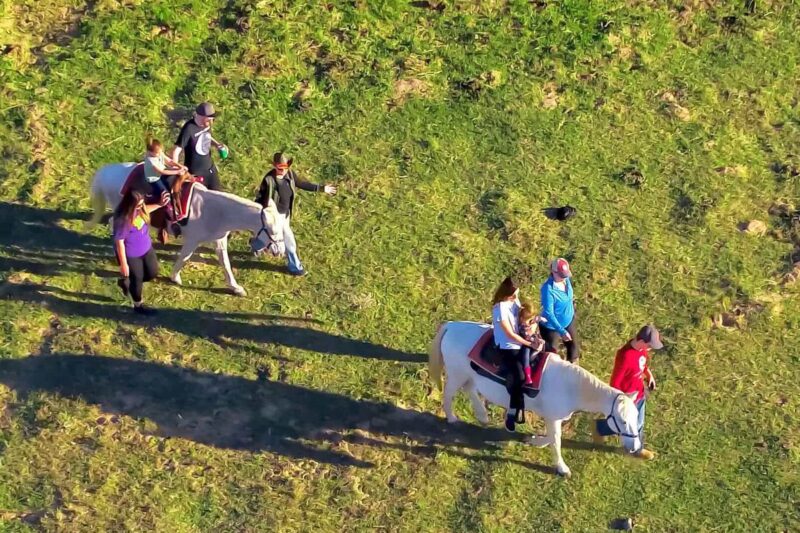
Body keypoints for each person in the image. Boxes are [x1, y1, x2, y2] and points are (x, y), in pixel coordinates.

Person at [255, 152, 337, 276]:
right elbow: (260, 197)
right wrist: (259, 212)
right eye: (279, 168)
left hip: (286, 214)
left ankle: (256, 245)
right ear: (274, 166)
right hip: (276, 216)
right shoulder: (269, 180)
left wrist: (321, 188)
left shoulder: (290, 175)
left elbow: (301, 184)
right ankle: (295, 267)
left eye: (285, 168)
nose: (282, 171)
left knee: (271, 234)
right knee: (289, 239)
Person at [592, 324, 664, 460]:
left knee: (639, 423)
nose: (650, 349)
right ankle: (599, 428)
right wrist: (621, 400)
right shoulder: (625, 356)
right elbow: (615, 382)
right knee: (622, 425)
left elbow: (642, 364)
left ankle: (637, 449)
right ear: (642, 341)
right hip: (627, 398)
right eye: (649, 345)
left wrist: (649, 375)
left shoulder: (642, 350)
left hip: (639, 393)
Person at [491, 277, 537, 432]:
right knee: (520, 376)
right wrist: (528, 344)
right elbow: (509, 334)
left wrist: (533, 327)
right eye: (514, 295)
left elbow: (526, 318)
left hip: (522, 340)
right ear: (507, 294)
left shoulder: (515, 303)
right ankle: (512, 412)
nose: (517, 298)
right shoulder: (499, 308)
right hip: (508, 346)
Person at [113, 190, 163, 315]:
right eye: (139, 205)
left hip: (147, 248)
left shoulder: (140, 209)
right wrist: (123, 264)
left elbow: (146, 210)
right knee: (137, 280)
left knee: (152, 272)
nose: (142, 207)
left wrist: (160, 204)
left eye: (142, 204)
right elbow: (119, 242)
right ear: (130, 205)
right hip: (132, 255)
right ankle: (138, 305)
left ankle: (128, 282)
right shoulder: (123, 220)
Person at [171, 102, 227, 191]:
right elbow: (176, 150)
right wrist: (176, 169)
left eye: (213, 119)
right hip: (196, 174)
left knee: (219, 196)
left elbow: (206, 136)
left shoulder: (207, 124)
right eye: (209, 119)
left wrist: (217, 144)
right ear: (201, 116)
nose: (211, 122)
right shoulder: (189, 128)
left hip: (210, 170)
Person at [539, 258, 580, 363]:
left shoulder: (566, 280)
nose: (564, 278)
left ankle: (573, 372)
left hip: (568, 320)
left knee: (574, 349)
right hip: (552, 327)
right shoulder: (548, 290)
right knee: (551, 357)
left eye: (565, 276)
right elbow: (549, 313)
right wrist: (561, 331)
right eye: (562, 276)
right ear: (554, 272)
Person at [518, 302, 545, 385]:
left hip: (537, 341)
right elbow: (528, 337)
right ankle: (528, 376)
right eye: (528, 320)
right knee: (526, 358)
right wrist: (535, 341)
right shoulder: (522, 327)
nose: (530, 322)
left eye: (531, 320)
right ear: (521, 318)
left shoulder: (531, 321)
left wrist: (540, 319)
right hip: (528, 344)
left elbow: (536, 319)